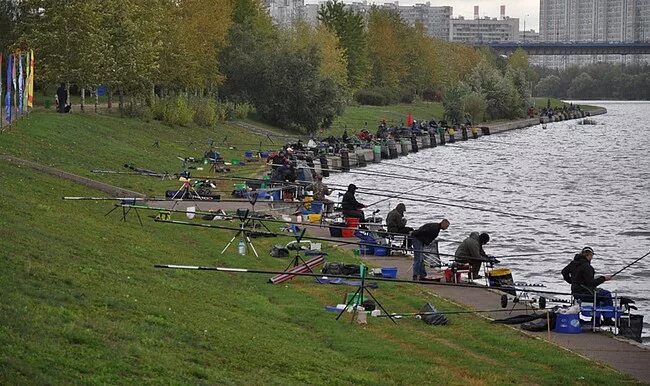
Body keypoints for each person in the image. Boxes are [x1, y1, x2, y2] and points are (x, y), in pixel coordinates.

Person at [561, 247, 614, 325]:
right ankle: (607, 319)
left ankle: (596, 320)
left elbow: (564, 272)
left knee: (598, 295)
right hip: (585, 293)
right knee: (606, 294)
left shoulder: (573, 263)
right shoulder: (587, 267)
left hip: (575, 292)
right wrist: (604, 278)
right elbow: (591, 283)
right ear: (588, 255)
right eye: (592, 256)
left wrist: (572, 282)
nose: (592, 258)